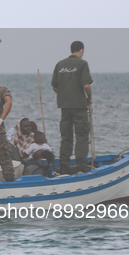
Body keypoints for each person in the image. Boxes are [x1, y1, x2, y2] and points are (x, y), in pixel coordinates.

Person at [51, 41, 93, 174]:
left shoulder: (60, 64)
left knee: (66, 136)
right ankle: (81, 165)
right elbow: (86, 85)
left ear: (71, 50)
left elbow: (55, 87)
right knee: (81, 135)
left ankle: (64, 165)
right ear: (81, 50)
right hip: (79, 106)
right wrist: (89, 97)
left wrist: (65, 94)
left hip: (64, 106)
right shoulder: (82, 63)